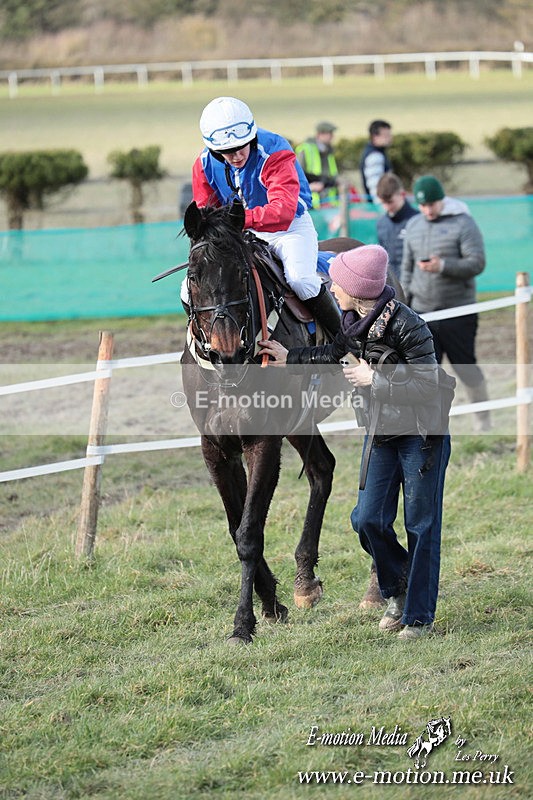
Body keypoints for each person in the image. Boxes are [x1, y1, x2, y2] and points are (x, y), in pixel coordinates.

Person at [259, 244, 451, 640]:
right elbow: (334, 353)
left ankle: (416, 617)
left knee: (421, 525)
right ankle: (398, 583)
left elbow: (429, 384)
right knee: (365, 520)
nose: (330, 286)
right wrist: (288, 356)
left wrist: (373, 381)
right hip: (380, 433)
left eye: (336, 282)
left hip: (421, 435)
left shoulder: (408, 325)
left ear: (357, 289)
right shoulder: (351, 320)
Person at [187, 96, 340, 335]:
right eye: (227, 151)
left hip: (288, 229)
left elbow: (283, 210)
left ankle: (345, 344)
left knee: (301, 280)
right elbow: (207, 213)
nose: (236, 155)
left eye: (241, 146)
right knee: (191, 288)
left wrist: (240, 220)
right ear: (214, 149)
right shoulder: (204, 164)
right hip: (241, 234)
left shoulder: (275, 149)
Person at [400, 175, 490, 431]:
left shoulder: (464, 223)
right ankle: (429, 424)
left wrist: (444, 266)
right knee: (426, 373)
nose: (428, 210)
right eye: (423, 205)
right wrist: (405, 303)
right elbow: (406, 268)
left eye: (432, 204)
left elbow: (477, 262)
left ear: (442, 200)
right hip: (422, 313)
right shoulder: (414, 225)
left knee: (466, 368)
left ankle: (482, 420)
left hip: (459, 311)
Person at [376, 172, 419, 279]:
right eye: (383, 203)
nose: (387, 207)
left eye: (390, 202)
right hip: (392, 284)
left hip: (414, 284)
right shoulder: (382, 223)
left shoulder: (417, 220)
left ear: (402, 194)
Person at [296, 121, 340, 209]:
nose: (332, 136)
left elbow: (331, 175)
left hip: (329, 202)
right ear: (320, 134)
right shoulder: (305, 149)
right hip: (311, 203)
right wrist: (310, 187)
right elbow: (297, 175)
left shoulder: (329, 151)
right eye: (329, 133)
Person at [360, 120, 393, 205]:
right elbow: (376, 187)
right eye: (386, 135)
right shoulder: (374, 157)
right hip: (380, 206)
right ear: (375, 137)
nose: (390, 138)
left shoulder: (378, 153)